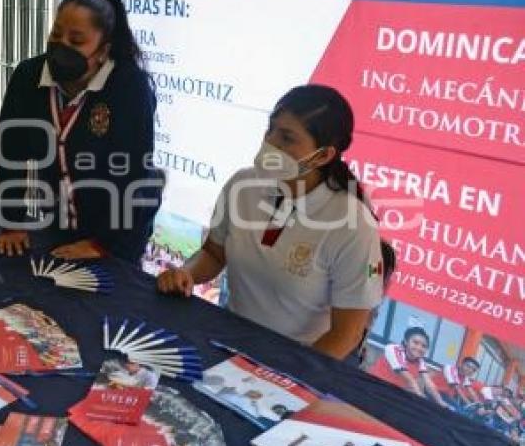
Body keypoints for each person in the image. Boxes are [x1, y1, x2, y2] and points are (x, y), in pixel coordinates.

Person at [157, 85, 383, 359]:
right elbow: (214, 254)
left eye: (287, 137)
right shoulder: (243, 185)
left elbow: (346, 334)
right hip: (228, 344)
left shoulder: (352, 225)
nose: (271, 143)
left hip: (298, 363)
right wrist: (186, 274)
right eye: (270, 130)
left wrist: (287, 378)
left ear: (324, 155)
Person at [0, 0, 159, 263]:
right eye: (56, 35)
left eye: (76, 40)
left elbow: (133, 174)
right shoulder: (28, 78)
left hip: (120, 229)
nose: (61, 46)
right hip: (57, 221)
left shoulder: (129, 88)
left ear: (103, 50)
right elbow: (11, 156)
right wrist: (12, 223)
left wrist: (103, 244)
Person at [368, 327, 448, 407]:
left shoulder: (420, 361)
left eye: (424, 346)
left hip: (393, 394)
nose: (419, 348)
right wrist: (420, 395)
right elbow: (407, 376)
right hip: (374, 386)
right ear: (406, 342)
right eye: (415, 343)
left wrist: (441, 402)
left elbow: (429, 383)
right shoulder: (393, 349)